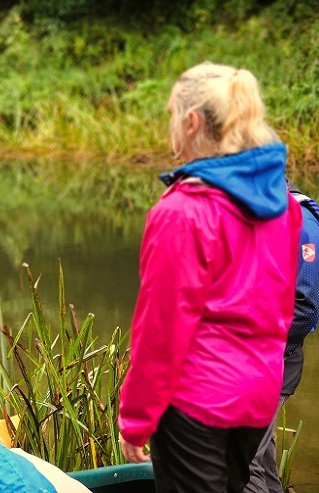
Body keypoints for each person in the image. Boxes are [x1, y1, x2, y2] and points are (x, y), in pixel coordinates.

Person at [117, 61, 303, 493]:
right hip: (259, 395)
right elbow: (279, 311)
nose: (170, 127)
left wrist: (136, 419)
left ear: (192, 121)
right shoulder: (284, 206)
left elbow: (161, 331)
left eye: (170, 115)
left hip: (196, 402)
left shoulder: (182, 212)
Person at [244, 183, 319, 493]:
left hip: (274, 360)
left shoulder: (302, 223)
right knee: (259, 460)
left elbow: (306, 306)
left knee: (240, 462)